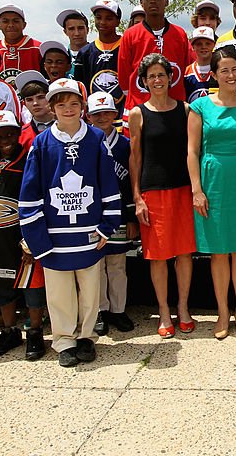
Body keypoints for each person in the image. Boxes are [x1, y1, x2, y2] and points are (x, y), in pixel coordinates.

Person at [20, 78, 121, 367]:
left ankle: (87, 336)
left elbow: (108, 183)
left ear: (83, 107)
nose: (68, 109)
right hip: (55, 233)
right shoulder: (41, 144)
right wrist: (36, 234)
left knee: (90, 287)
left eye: (74, 103)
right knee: (60, 290)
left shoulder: (95, 139)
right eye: (61, 104)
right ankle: (64, 339)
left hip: (88, 229)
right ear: (51, 108)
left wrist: (107, 223)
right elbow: (31, 190)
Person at [188, 47, 236, 339]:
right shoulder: (200, 107)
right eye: (225, 70)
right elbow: (191, 151)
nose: (231, 75)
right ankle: (222, 313)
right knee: (219, 253)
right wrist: (197, 188)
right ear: (215, 74)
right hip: (212, 182)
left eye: (235, 69)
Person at [128, 55, 197, 339]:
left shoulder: (185, 109)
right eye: (151, 76)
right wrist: (138, 197)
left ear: (170, 77)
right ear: (144, 82)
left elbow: (193, 153)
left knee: (183, 254)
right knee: (157, 257)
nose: (157, 80)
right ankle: (164, 311)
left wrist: (196, 190)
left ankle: (183, 308)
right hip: (152, 192)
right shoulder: (137, 113)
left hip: (182, 190)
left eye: (161, 75)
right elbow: (135, 158)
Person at [0, 111, 47, 360]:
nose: (4, 139)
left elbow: (40, 198)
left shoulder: (30, 159)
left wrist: (33, 239)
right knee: (1, 288)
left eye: (9, 133)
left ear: (19, 133)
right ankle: (9, 331)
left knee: (32, 288)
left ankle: (36, 332)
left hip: (23, 238)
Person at [86, 92, 138, 336]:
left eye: (107, 112)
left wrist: (130, 217)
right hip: (92, 215)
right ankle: (100, 310)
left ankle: (118, 309)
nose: (103, 117)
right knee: (96, 265)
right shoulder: (84, 144)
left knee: (117, 264)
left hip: (118, 214)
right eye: (97, 114)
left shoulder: (125, 145)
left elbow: (131, 183)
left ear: (115, 114)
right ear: (88, 116)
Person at [118, 0, 195, 116]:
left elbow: (187, 67)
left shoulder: (180, 34)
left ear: (166, 1)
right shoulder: (130, 35)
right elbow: (124, 77)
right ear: (141, 3)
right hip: (139, 108)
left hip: (174, 108)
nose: (153, 1)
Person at [74, 0, 125, 114]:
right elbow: (80, 87)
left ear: (118, 22)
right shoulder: (85, 52)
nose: (102, 22)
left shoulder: (127, 47)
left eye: (109, 18)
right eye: (98, 17)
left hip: (122, 114)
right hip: (95, 115)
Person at [0, 4, 41, 86]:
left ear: (24, 24)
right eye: (5, 21)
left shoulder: (38, 48)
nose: (11, 25)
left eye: (16, 21)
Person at [15, 71, 54, 149]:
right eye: (29, 100)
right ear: (24, 103)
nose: (35, 103)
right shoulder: (21, 135)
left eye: (40, 97)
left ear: (50, 98)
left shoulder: (68, 127)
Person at [184, 26, 217, 102]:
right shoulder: (186, 73)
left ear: (214, 45)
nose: (203, 47)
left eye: (208, 43)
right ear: (192, 46)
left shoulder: (218, 70)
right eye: (199, 44)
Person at [56, 9, 90, 77]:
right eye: (71, 29)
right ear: (65, 32)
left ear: (88, 30)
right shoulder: (61, 57)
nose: (77, 33)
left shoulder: (96, 55)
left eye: (80, 28)